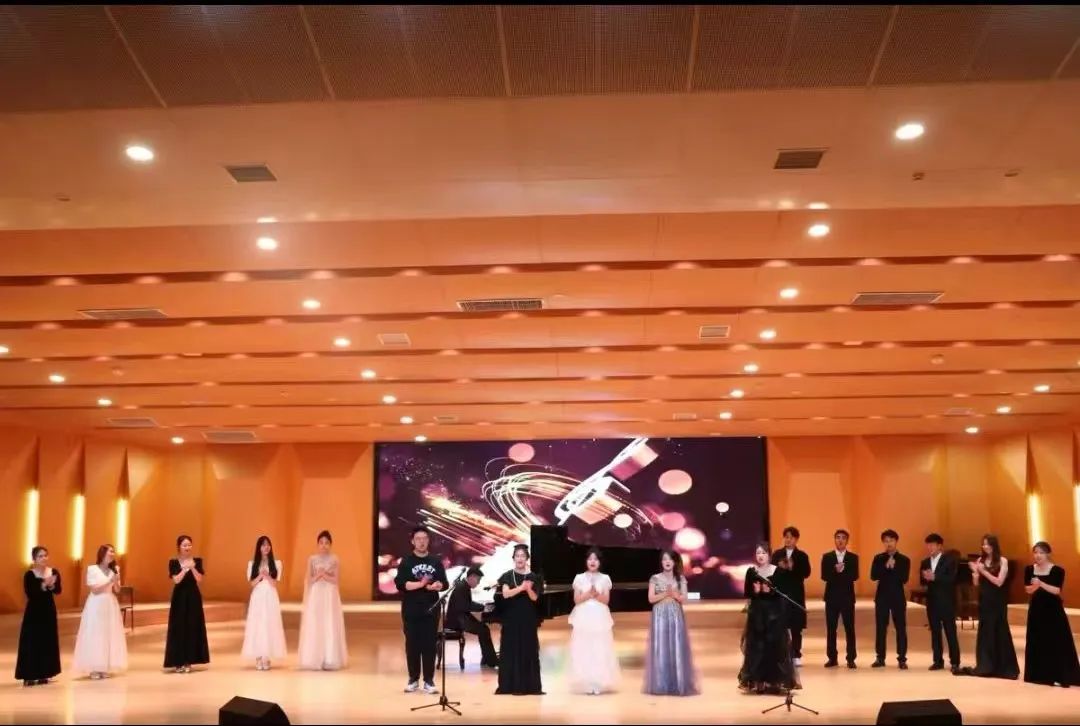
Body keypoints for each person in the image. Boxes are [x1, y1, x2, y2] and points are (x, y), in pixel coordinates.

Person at [955, 534, 1019, 679]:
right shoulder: (980, 560)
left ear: (994, 545)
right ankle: (986, 664)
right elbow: (976, 584)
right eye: (983, 544)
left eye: (988, 544)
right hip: (985, 599)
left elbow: (999, 582)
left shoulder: (1002, 561)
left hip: (998, 600)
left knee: (999, 629)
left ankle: (1004, 667)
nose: (985, 547)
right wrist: (975, 573)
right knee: (986, 631)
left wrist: (983, 571)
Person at [394, 526, 448, 694]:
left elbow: (444, 583)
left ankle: (429, 680)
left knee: (429, 645)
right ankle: (413, 679)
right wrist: (421, 584)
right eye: (418, 539)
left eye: (424, 538)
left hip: (431, 609)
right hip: (411, 609)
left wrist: (438, 585)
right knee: (412, 644)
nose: (421, 542)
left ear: (428, 540)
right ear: (413, 541)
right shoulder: (406, 561)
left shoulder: (435, 561)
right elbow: (401, 584)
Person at [738, 543, 798, 694]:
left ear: (769, 555)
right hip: (757, 614)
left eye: (763, 553)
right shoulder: (751, 572)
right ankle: (758, 681)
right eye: (758, 553)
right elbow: (747, 593)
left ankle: (774, 681)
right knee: (757, 647)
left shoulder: (777, 571)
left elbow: (783, 593)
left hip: (774, 615)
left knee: (774, 647)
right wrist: (756, 591)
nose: (760, 556)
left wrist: (770, 591)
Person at [1023, 541, 1080, 687]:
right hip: (1036, 610)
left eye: (1041, 553)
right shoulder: (1029, 569)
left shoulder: (1057, 570)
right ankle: (1040, 675)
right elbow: (1028, 590)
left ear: (1048, 554)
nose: (1038, 555)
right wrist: (1034, 586)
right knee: (1037, 641)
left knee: (1056, 642)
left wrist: (1040, 584)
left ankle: (1060, 675)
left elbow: (1056, 590)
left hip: (1053, 611)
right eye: (1035, 552)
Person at [643, 550, 699, 696]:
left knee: (676, 646)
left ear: (674, 562)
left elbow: (684, 598)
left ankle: (677, 682)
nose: (667, 562)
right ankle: (661, 683)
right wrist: (665, 594)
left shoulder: (681, 579)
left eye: (670, 559)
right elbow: (651, 599)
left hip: (675, 616)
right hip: (659, 616)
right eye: (664, 559)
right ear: (661, 562)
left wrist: (674, 594)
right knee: (661, 647)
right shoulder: (655, 578)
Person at [567, 547, 620, 695]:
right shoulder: (579, 578)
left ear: (599, 562)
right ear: (586, 561)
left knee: (600, 647)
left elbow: (606, 600)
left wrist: (595, 594)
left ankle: (598, 682)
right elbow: (577, 600)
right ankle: (586, 681)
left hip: (600, 616)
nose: (592, 561)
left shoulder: (605, 578)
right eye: (590, 558)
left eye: (595, 559)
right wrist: (588, 594)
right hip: (583, 616)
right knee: (584, 647)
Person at [72, 544, 128, 679]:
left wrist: (116, 579)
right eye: (110, 551)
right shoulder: (92, 569)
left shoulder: (114, 570)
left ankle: (104, 667)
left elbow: (117, 590)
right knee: (95, 633)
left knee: (107, 634)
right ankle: (94, 668)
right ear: (102, 553)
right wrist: (109, 580)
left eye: (113, 552)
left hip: (110, 603)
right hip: (96, 603)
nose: (113, 554)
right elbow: (95, 589)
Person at [495, 544, 544, 695]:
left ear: (527, 558)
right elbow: (506, 594)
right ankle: (510, 685)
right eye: (517, 556)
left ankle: (530, 685)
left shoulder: (534, 577)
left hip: (528, 617)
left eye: (523, 556)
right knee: (511, 649)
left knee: (528, 649)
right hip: (511, 618)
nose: (520, 558)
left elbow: (535, 598)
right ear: (514, 558)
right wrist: (521, 588)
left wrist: (528, 589)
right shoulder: (507, 575)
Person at [298, 530, 348, 670]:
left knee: (329, 621)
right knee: (316, 622)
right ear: (317, 544)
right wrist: (318, 575)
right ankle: (313, 657)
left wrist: (323, 575)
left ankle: (330, 658)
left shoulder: (335, 559)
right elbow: (309, 580)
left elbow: (335, 580)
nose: (324, 545)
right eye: (321, 542)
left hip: (329, 594)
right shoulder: (312, 559)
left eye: (327, 543)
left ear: (330, 544)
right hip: (316, 594)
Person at [15, 546, 62, 686]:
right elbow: (30, 593)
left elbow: (58, 590)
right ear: (34, 559)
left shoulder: (53, 572)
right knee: (31, 641)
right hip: (34, 611)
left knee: (47, 640)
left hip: (48, 610)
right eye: (40, 556)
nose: (43, 558)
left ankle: (44, 673)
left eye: (45, 555)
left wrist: (52, 586)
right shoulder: (29, 574)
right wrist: (43, 585)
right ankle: (29, 675)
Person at [164, 535, 209, 674]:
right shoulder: (173, 562)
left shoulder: (197, 561)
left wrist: (193, 568)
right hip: (179, 597)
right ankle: (178, 661)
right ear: (179, 547)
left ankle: (189, 660)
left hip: (193, 596)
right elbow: (176, 580)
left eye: (189, 544)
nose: (187, 547)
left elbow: (199, 579)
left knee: (192, 626)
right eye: (184, 545)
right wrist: (184, 569)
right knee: (178, 627)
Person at [241, 535, 286, 671]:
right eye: (263, 545)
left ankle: (266, 656)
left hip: (270, 596)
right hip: (258, 597)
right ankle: (258, 656)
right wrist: (260, 575)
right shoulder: (252, 564)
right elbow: (252, 583)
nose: (266, 547)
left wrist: (267, 575)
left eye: (268, 544)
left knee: (269, 623)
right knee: (258, 623)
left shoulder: (277, 563)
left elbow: (274, 583)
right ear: (259, 548)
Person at [920, 533, 961, 673]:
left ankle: (955, 662)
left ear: (940, 546)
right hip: (932, 602)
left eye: (932, 545)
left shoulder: (950, 560)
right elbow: (922, 581)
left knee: (950, 632)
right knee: (935, 632)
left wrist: (935, 577)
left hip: (947, 601)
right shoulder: (925, 562)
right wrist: (926, 578)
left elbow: (952, 579)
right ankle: (937, 661)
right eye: (928, 545)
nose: (930, 547)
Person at [870, 529, 910, 669]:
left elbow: (904, 579)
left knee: (901, 628)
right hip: (882, 598)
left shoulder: (904, 560)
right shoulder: (878, 558)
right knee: (881, 628)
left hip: (898, 597)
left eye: (891, 540)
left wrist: (894, 567)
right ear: (883, 542)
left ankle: (902, 658)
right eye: (886, 541)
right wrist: (886, 567)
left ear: (896, 541)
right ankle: (880, 658)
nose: (889, 544)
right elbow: (873, 576)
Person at [771, 526, 811, 666]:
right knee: (781, 626)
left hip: (796, 595)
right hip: (781, 594)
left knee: (796, 626)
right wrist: (780, 568)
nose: (788, 540)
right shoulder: (777, 554)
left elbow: (806, 573)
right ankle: (781, 655)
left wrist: (793, 567)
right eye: (786, 537)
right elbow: (772, 573)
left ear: (796, 539)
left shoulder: (802, 556)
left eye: (791, 537)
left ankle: (796, 654)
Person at [446, 567, 498, 670]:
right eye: (478, 580)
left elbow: (467, 604)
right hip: (457, 621)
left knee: (483, 629)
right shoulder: (462, 587)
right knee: (483, 630)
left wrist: (482, 606)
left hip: (461, 617)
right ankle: (491, 661)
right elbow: (465, 605)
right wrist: (483, 607)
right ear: (472, 577)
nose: (478, 583)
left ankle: (487, 659)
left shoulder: (464, 586)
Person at [821, 528, 859, 668]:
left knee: (850, 628)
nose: (840, 540)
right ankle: (832, 658)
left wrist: (842, 572)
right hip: (831, 598)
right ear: (834, 540)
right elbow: (824, 576)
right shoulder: (827, 557)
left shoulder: (853, 557)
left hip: (847, 597)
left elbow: (855, 576)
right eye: (838, 537)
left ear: (847, 541)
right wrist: (835, 570)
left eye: (843, 538)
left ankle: (851, 658)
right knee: (831, 629)